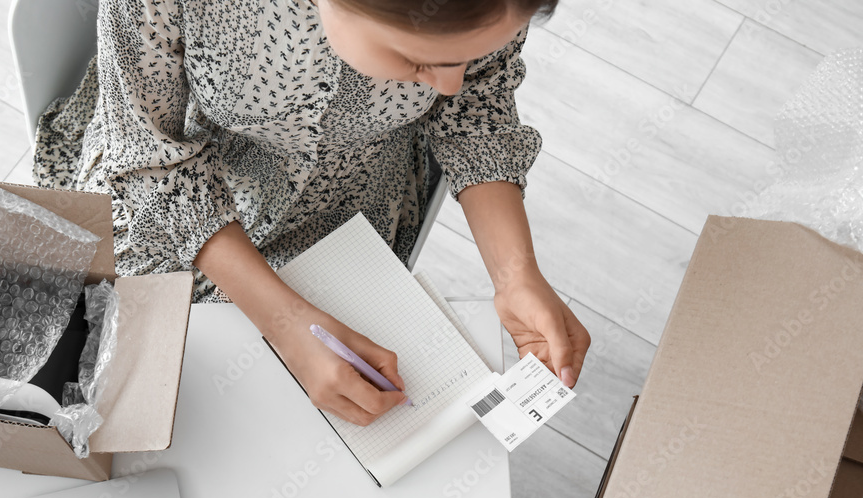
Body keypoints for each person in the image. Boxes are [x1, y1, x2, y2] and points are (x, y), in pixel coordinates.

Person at [33, 0, 591, 427]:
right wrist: (283, 323)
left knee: (316, 418)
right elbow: (150, 153)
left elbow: (475, 108)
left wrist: (516, 275)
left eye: (467, 59)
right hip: (176, 189)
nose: (448, 85)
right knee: (139, 394)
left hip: (353, 203)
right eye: (419, 60)